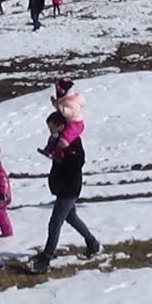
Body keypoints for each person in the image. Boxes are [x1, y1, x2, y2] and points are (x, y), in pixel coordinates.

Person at [30, 111, 100, 274]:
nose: (51, 132)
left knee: (55, 223)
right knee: (72, 218)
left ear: (62, 126)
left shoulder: (72, 140)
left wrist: (66, 150)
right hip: (63, 187)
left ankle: (46, 258)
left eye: (53, 128)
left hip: (69, 188)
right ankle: (92, 243)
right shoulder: (58, 140)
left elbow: (78, 162)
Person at [38, 77, 85, 160]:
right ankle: (49, 149)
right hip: (67, 122)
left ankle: (67, 154)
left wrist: (61, 108)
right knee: (54, 136)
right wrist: (55, 103)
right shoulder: (64, 100)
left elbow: (71, 113)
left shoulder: (73, 102)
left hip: (75, 124)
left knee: (63, 140)